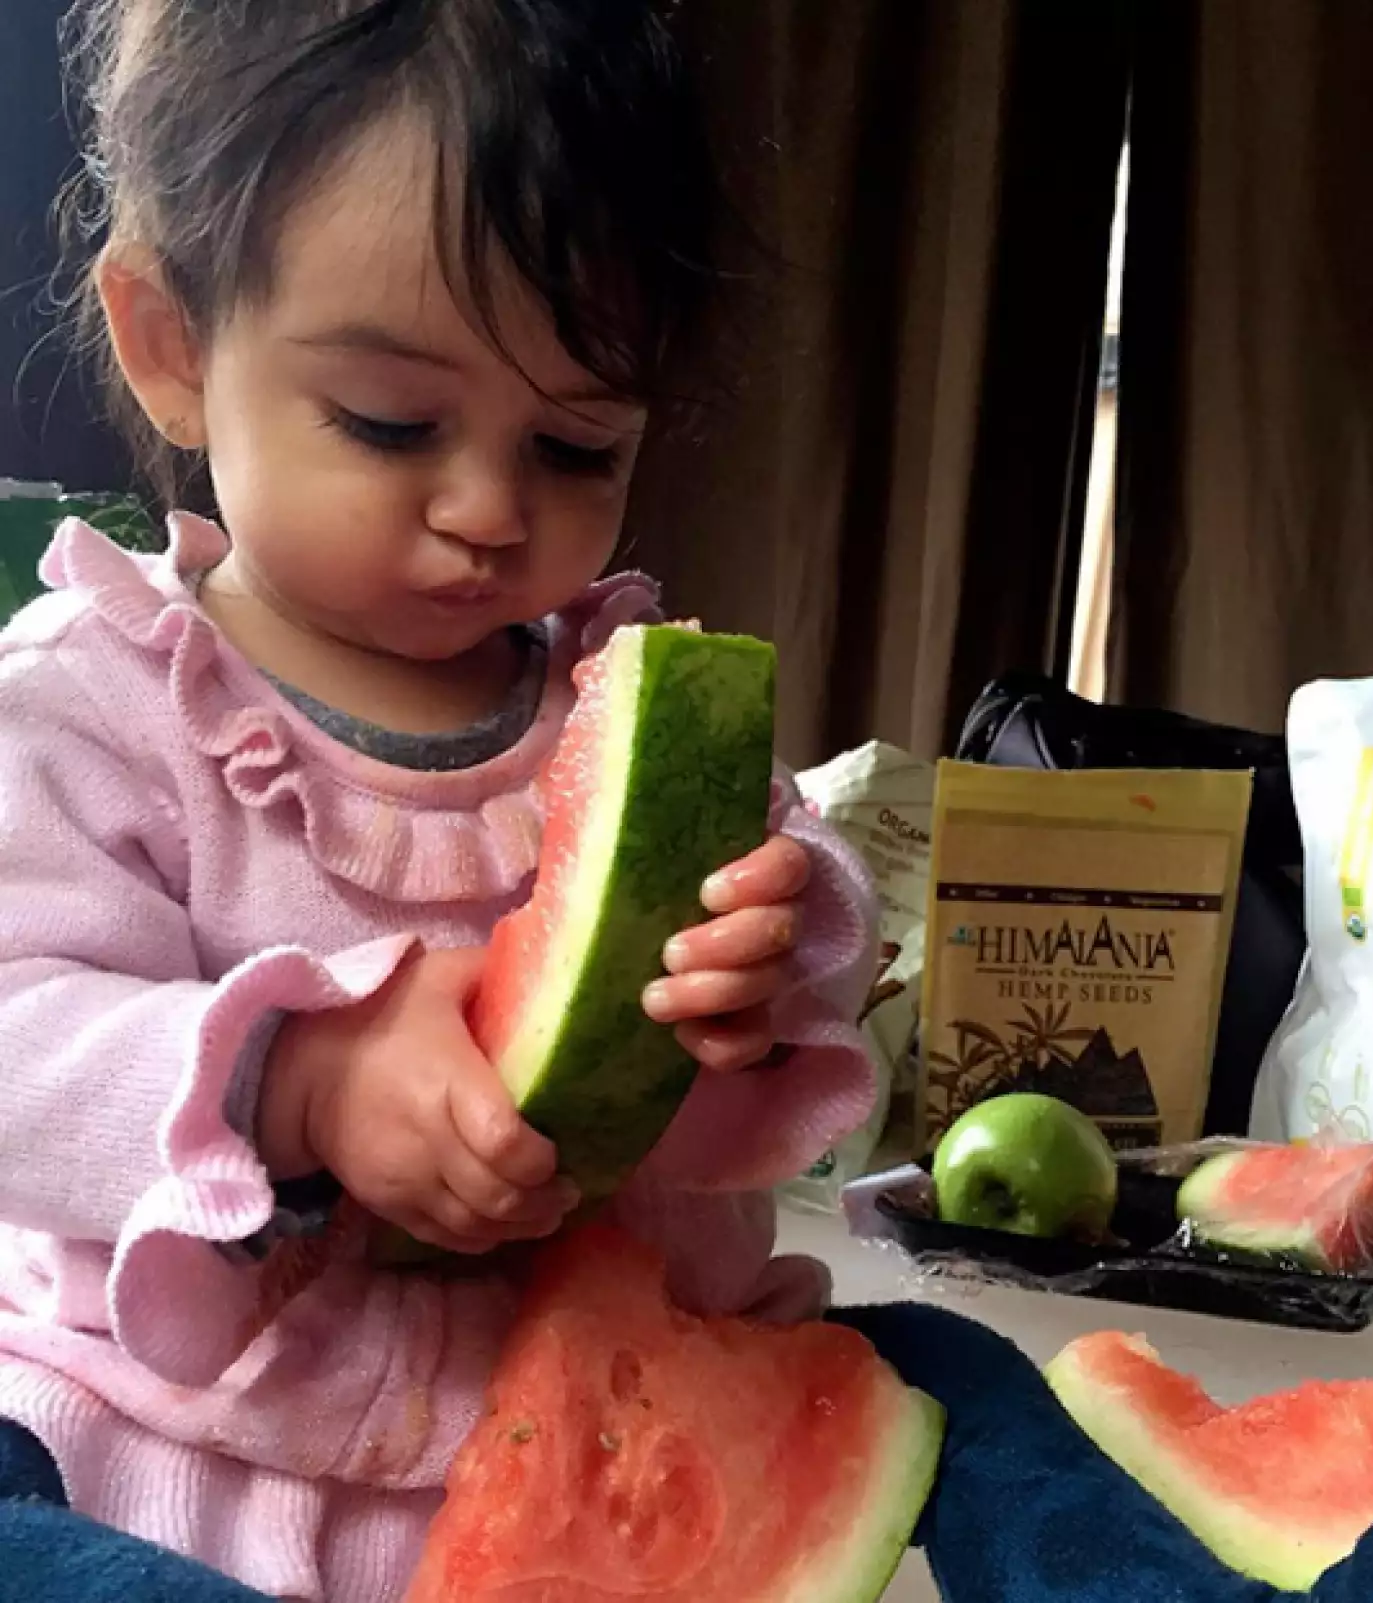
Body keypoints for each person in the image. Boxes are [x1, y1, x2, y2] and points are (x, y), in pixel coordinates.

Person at [0, 3, 878, 1599]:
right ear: (172, 344)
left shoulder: (626, 703)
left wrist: (772, 955)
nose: (487, 509)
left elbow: (805, 913)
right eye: (392, 423)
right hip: (191, 1457)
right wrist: (293, 1075)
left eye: (577, 444)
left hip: (610, 1451)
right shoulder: (93, 699)